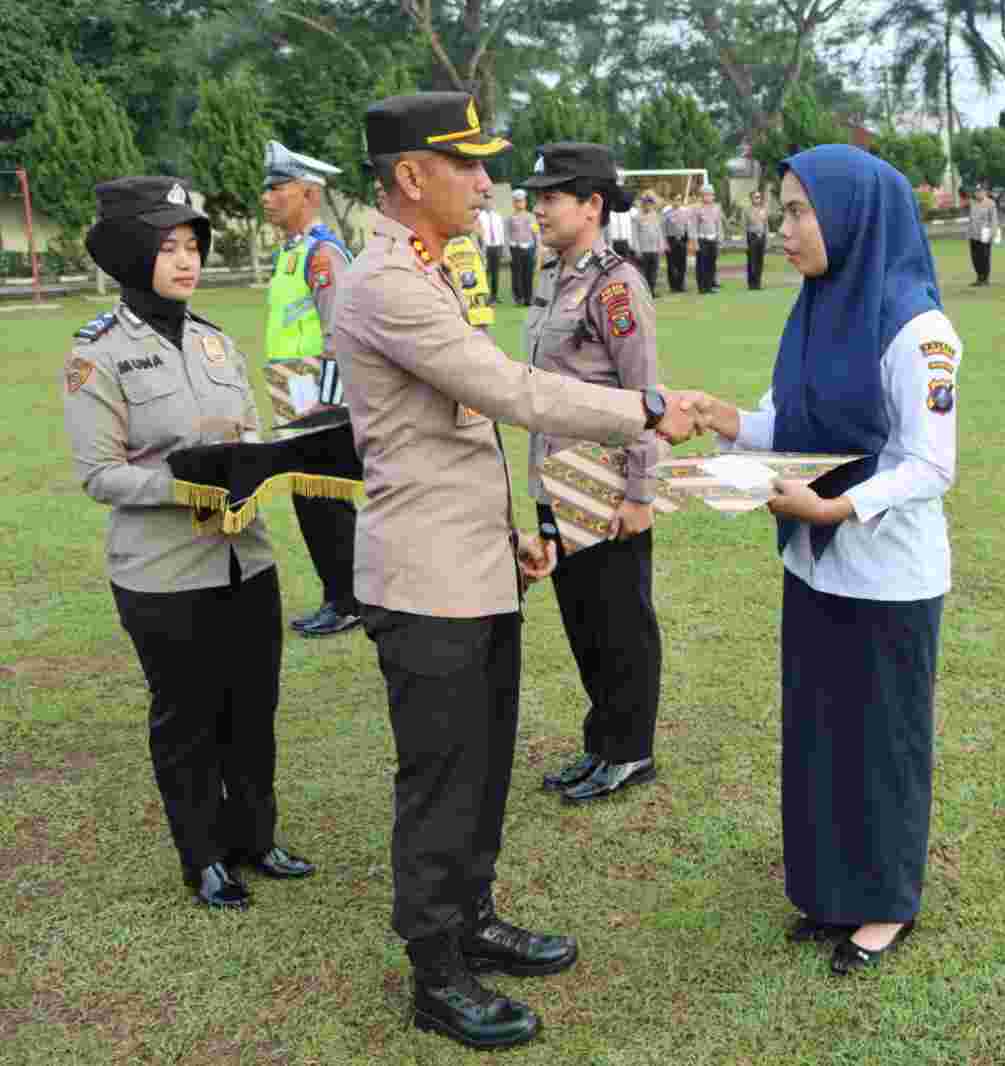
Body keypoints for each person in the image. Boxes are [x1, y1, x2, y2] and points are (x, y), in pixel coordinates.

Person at [334, 93, 700, 1051]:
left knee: (484, 763)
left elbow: (455, 435)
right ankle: (435, 970)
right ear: (412, 177)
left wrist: (510, 531)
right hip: (424, 580)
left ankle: (473, 916)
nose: (491, 184)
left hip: (472, 565)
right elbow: (508, 392)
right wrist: (648, 408)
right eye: (470, 166)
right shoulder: (385, 282)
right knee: (441, 776)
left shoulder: (431, 266)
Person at [687, 144, 959, 978]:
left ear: (852, 217)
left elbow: (929, 463)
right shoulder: (813, 309)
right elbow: (785, 424)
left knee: (880, 742)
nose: (784, 227)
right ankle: (829, 890)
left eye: (800, 210)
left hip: (886, 575)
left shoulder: (918, 329)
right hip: (812, 565)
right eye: (785, 209)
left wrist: (839, 506)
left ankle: (883, 905)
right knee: (820, 736)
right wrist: (719, 416)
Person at [65, 177, 316, 911]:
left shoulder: (213, 340)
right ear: (133, 254)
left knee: (253, 707)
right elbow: (99, 475)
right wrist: (190, 486)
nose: (187, 261)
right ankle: (203, 856)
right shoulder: (99, 354)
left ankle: (256, 837)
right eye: (169, 247)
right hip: (163, 573)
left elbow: (243, 433)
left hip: (247, 558)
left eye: (192, 247)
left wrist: (262, 461)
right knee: (186, 718)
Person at [520, 142, 664, 804]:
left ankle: (629, 749)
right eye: (537, 197)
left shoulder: (615, 285)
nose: (537, 208)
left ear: (591, 205)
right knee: (582, 619)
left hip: (605, 482)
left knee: (618, 621)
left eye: (550, 197)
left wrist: (640, 493)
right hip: (559, 477)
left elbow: (643, 396)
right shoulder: (551, 276)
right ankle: (600, 739)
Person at [259, 140, 361, 638]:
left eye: (278, 188)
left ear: (309, 194)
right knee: (310, 502)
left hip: (318, 401)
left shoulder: (322, 254)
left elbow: (339, 334)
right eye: (267, 188)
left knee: (326, 503)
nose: (267, 197)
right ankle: (340, 594)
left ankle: (347, 600)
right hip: (292, 394)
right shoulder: (291, 253)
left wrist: (328, 401)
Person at [691, 186, 724, 294]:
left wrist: (720, 239)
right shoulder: (697, 208)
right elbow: (693, 226)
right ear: (702, 196)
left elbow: (718, 225)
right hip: (702, 239)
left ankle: (709, 286)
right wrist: (695, 242)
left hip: (713, 238)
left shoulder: (716, 208)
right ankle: (702, 287)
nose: (710, 197)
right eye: (707, 194)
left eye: (711, 194)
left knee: (711, 264)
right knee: (701, 264)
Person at [507, 189, 538, 306]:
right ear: (514, 203)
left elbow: (536, 235)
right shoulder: (510, 218)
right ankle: (518, 298)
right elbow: (507, 235)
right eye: (517, 201)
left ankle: (528, 298)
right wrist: (507, 252)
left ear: (525, 202)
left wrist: (538, 250)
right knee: (516, 275)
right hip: (515, 248)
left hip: (529, 248)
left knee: (528, 274)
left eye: (522, 201)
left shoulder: (531, 217)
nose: (520, 203)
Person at [632, 189, 666, 298]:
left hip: (654, 249)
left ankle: (651, 290)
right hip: (643, 250)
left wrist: (661, 246)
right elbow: (634, 234)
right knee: (644, 273)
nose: (648, 206)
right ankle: (644, 293)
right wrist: (637, 249)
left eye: (650, 204)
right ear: (643, 204)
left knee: (653, 272)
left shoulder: (655, 216)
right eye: (646, 204)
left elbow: (659, 232)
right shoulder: (637, 217)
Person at [966, 184, 998, 286]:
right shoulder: (972, 203)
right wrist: (968, 233)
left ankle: (985, 278)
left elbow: (994, 220)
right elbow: (971, 219)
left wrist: (993, 233)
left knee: (984, 256)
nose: (978, 193)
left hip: (985, 233)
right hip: (973, 233)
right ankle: (979, 277)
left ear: (985, 192)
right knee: (975, 257)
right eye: (976, 191)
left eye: (980, 191)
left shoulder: (990, 203)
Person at [476, 199, 506, 304]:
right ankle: (484, 296)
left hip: (497, 246)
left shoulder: (497, 216)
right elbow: (478, 232)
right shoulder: (479, 216)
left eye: (491, 203)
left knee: (495, 272)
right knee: (485, 272)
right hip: (485, 247)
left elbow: (501, 232)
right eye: (487, 203)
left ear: (493, 204)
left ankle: (494, 296)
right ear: (484, 204)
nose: (489, 204)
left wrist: (502, 246)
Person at [664, 193, 691, 293]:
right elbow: (663, 229)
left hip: (682, 240)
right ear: (671, 201)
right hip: (671, 240)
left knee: (682, 264)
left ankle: (681, 285)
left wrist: (687, 240)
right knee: (671, 265)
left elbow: (687, 227)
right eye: (675, 199)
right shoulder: (667, 214)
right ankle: (673, 286)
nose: (677, 202)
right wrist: (664, 243)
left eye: (679, 199)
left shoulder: (685, 212)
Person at [745, 188, 770, 290]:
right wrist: (744, 243)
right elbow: (743, 226)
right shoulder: (747, 210)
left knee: (760, 261)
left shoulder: (764, 210)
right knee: (752, 261)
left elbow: (766, 225)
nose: (758, 199)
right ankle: (752, 284)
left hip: (761, 237)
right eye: (756, 197)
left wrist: (767, 240)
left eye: (759, 197)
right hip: (752, 236)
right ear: (751, 199)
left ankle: (758, 283)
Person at [605, 195, 635, 259]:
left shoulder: (629, 212)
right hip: (613, 242)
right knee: (613, 263)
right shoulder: (609, 212)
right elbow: (606, 229)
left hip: (625, 242)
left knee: (626, 263)